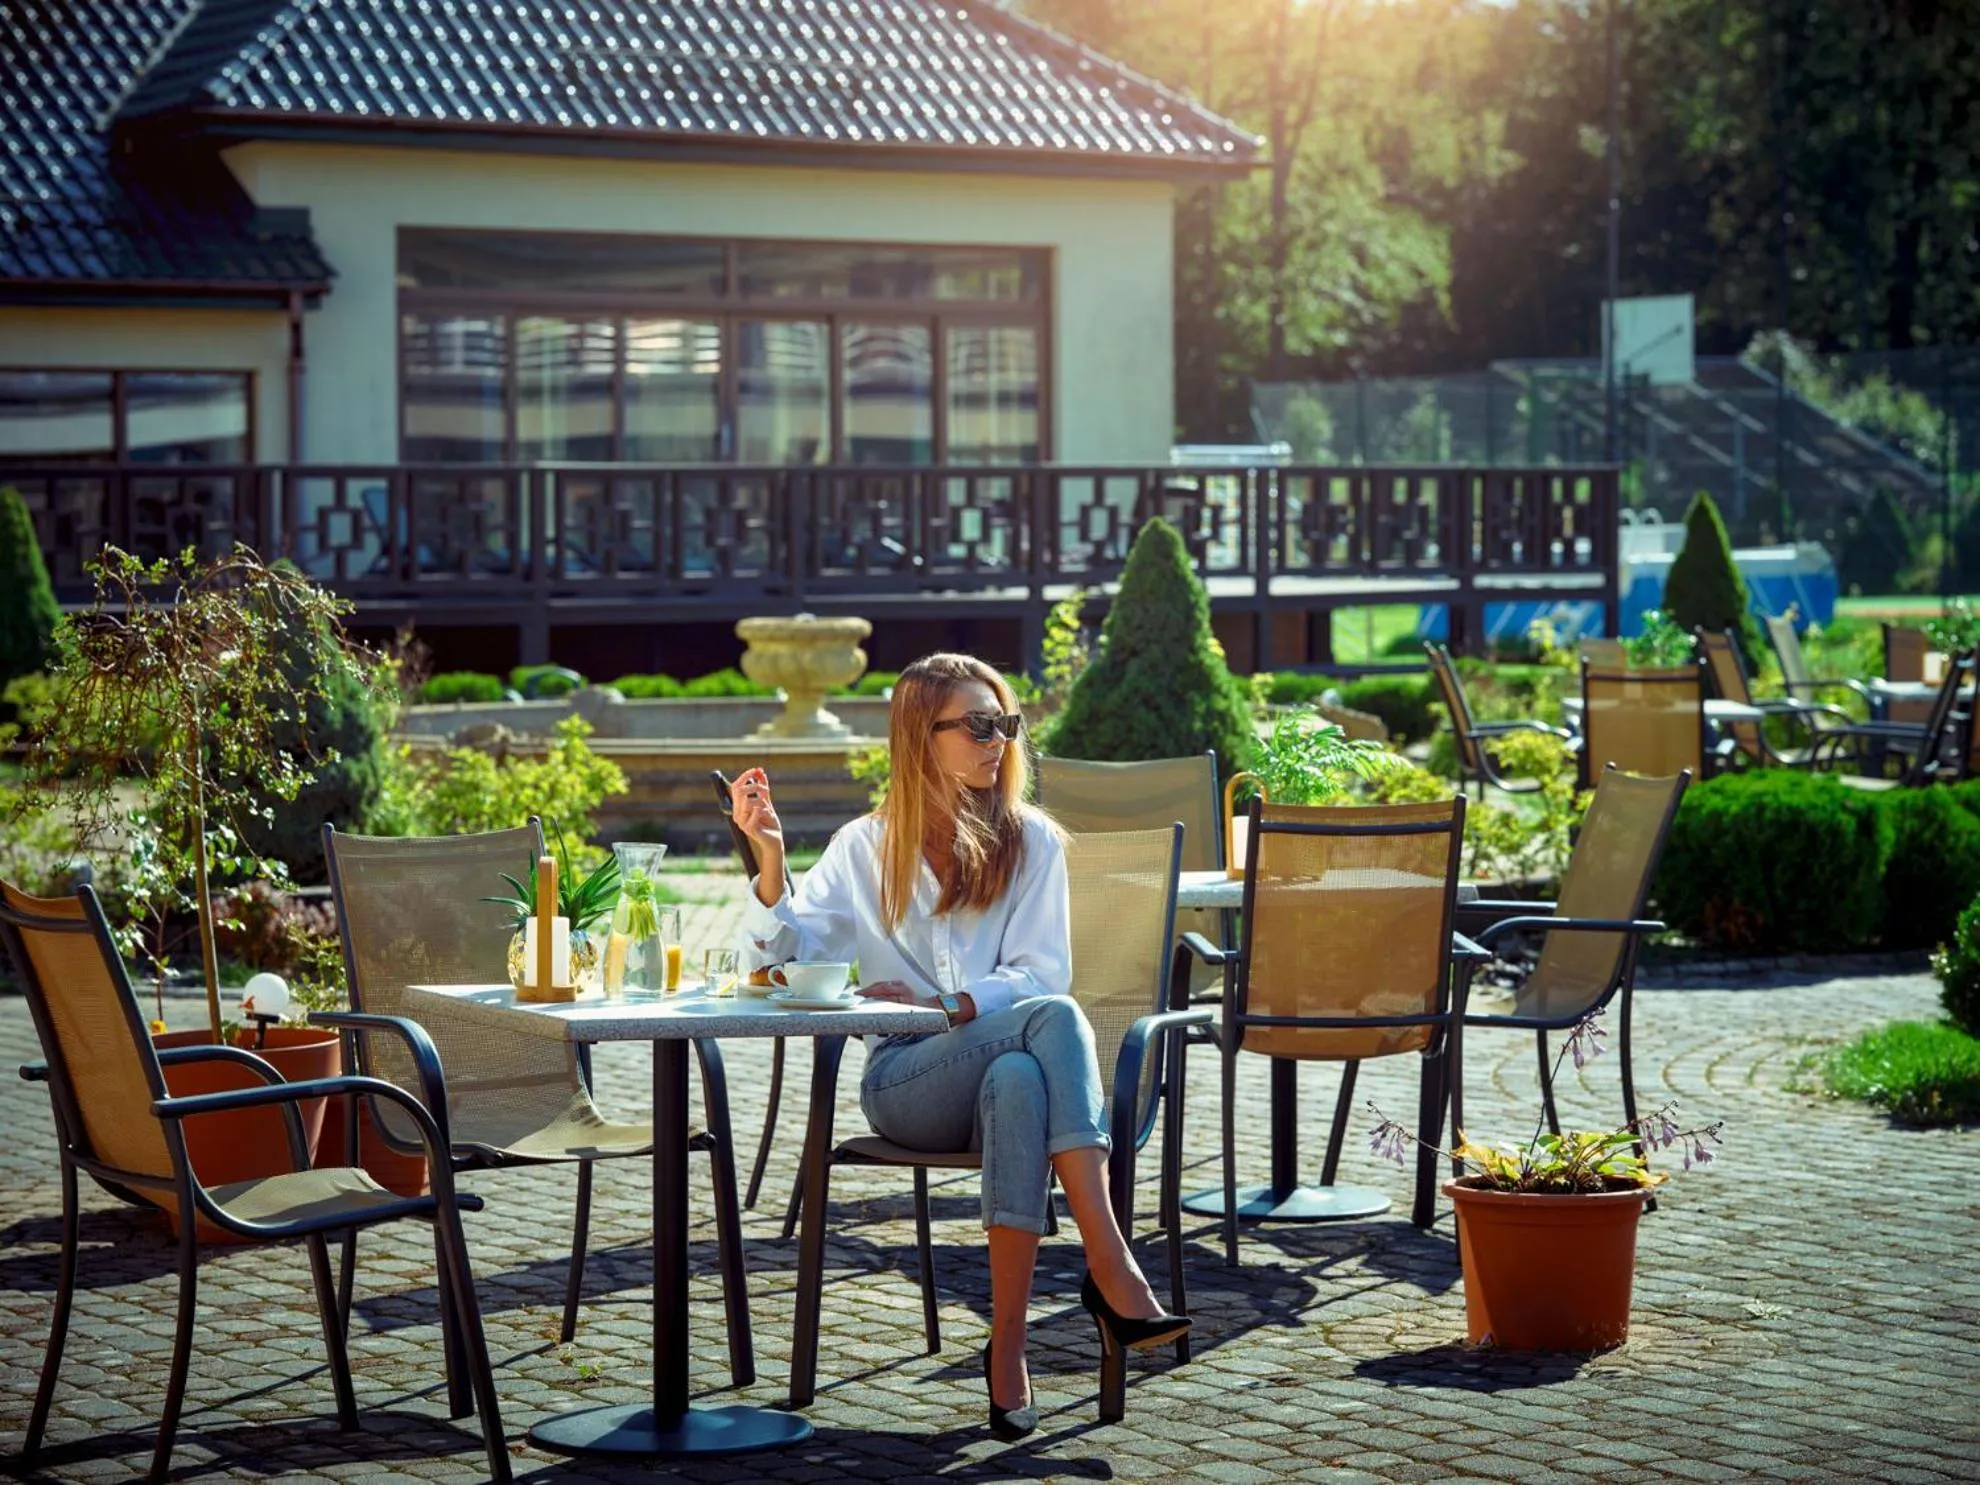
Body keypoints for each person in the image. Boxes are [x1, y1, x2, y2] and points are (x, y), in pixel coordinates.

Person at [733, 652, 1189, 1440]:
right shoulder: (861, 847)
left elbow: (1044, 967)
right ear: (920, 737)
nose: (998, 741)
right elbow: (772, 961)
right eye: (977, 725)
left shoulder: (1034, 841)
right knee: (1053, 1017)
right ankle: (1110, 1261)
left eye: (1006, 724)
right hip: (905, 1083)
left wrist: (950, 1003)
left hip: (999, 1090)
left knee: (1018, 1071)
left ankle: (1007, 1352)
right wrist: (771, 859)